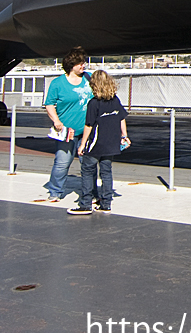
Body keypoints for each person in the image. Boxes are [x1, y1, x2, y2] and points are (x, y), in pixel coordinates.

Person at [68, 69, 130, 215]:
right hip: (111, 144)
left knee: (87, 171)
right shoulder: (115, 100)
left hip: (96, 144)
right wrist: (124, 135)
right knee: (106, 172)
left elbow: (89, 125)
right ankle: (106, 203)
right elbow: (122, 118)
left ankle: (85, 203)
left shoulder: (94, 103)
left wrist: (83, 144)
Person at [44, 47, 92, 202]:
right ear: (72, 65)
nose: (83, 66)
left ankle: (89, 194)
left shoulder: (90, 78)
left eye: (84, 63)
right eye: (80, 63)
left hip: (88, 130)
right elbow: (49, 104)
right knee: (62, 162)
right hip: (67, 131)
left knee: (88, 165)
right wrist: (56, 121)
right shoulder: (58, 83)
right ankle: (55, 191)